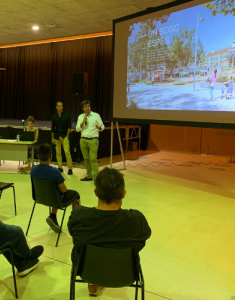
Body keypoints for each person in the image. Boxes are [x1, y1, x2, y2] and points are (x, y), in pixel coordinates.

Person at [68, 167, 152, 297]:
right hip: (125, 273)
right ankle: (97, 282)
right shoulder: (137, 220)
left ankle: (93, 282)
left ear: (96, 192)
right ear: (123, 193)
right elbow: (142, 241)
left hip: (86, 270)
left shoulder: (78, 216)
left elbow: (73, 235)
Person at [30, 143, 81, 232]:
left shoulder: (33, 169)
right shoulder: (55, 171)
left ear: (38, 156)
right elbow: (64, 190)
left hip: (39, 198)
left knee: (54, 192)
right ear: (51, 156)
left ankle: (53, 216)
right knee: (76, 195)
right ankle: (76, 222)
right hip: (55, 199)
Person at [76, 100, 104, 181]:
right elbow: (78, 129)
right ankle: (89, 176)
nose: (87, 108)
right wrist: (83, 122)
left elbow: (102, 126)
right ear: (82, 108)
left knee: (93, 159)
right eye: (85, 106)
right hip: (83, 140)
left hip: (93, 140)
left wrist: (100, 128)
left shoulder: (96, 115)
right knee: (86, 159)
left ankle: (95, 177)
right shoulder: (80, 117)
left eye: (88, 106)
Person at [51, 102, 73, 175]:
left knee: (67, 152)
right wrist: (52, 138)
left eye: (61, 106)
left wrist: (67, 135)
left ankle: (70, 168)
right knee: (58, 152)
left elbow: (69, 127)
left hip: (64, 136)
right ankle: (60, 167)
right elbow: (52, 129)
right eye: (59, 106)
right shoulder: (54, 117)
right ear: (56, 107)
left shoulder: (66, 116)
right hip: (57, 136)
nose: (60, 107)